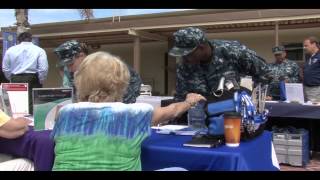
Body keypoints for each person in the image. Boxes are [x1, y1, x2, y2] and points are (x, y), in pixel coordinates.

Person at [51, 51, 205, 171]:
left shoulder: (64, 113)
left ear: (79, 80)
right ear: (121, 81)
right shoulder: (136, 114)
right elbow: (173, 110)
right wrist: (189, 101)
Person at [168, 27, 272, 102]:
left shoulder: (233, 51)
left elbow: (265, 74)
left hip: (234, 113)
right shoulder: (185, 65)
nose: (184, 58)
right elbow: (181, 97)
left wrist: (256, 98)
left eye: (188, 54)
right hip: (200, 117)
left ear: (202, 47)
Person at [54, 40, 142, 103]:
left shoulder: (109, 66)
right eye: (66, 65)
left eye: (70, 64)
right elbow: (75, 97)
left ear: (81, 56)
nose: (69, 69)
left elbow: (125, 99)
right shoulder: (73, 73)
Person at [2, 32, 49, 114]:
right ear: (31, 39)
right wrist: (41, 79)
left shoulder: (10, 50)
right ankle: (31, 124)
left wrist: (11, 78)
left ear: (18, 40)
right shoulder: (39, 50)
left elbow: (5, 68)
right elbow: (43, 68)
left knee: (16, 105)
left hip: (15, 77)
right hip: (33, 78)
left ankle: (18, 124)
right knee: (33, 105)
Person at [303, 36, 320, 102]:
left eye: (306, 45)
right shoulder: (309, 57)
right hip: (308, 89)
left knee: (315, 111)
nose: (304, 48)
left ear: (314, 44)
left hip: (316, 89)